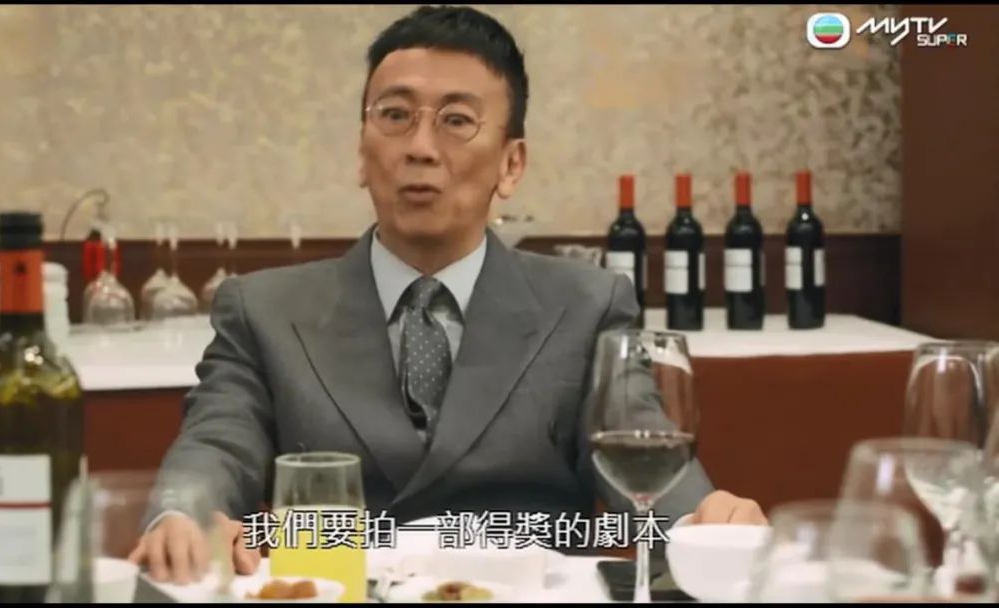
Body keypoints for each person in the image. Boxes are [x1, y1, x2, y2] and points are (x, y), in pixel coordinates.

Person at [129, 5, 767, 584]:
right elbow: (216, 443)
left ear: (511, 164)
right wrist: (180, 515)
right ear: (361, 152)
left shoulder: (586, 305)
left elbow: (641, 444)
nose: (420, 148)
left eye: (457, 121)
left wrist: (702, 525)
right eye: (395, 116)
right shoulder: (264, 309)